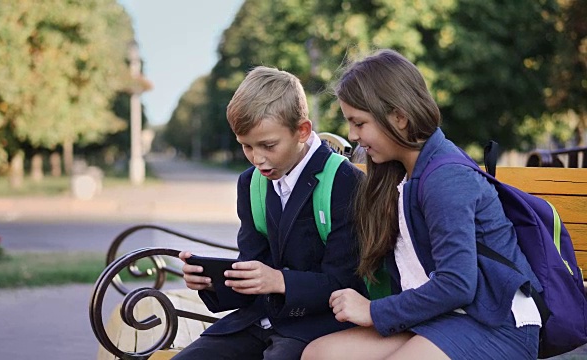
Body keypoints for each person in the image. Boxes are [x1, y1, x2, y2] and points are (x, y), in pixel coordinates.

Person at [301, 49, 542, 359]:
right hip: (438, 319)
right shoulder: (397, 172)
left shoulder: (446, 178)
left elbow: (457, 284)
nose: (352, 135)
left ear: (399, 118)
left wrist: (374, 311)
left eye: (359, 123)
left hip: (495, 324)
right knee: (320, 354)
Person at [174, 66, 367, 360]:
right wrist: (213, 281)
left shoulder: (344, 181)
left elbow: (346, 284)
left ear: (302, 131)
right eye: (246, 146)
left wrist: (280, 281)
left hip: (318, 328)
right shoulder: (251, 183)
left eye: (268, 145)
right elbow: (255, 267)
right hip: (257, 321)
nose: (258, 159)